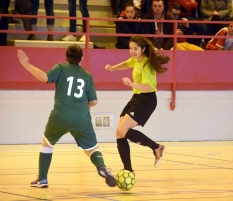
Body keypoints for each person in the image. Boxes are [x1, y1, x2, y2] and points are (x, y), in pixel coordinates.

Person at [16, 45, 116, 188]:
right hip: (81, 118)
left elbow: (44, 77)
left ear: (66, 57)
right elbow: (93, 101)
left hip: (60, 116)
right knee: (92, 148)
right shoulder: (87, 75)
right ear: (81, 58)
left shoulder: (60, 68)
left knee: (47, 144)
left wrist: (26, 64)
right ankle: (101, 167)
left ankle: (42, 179)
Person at [104, 35, 169, 174]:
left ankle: (156, 147)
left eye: (135, 49)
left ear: (143, 49)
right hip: (137, 97)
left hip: (147, 100)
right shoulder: (136, 60)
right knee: (119, 133)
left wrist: (132, 83)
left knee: (123, 130)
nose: (132, 51)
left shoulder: (146, 64)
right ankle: (128, 170)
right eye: (130, 48)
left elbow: (149, 87)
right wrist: (113, 68)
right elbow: (127, 63)